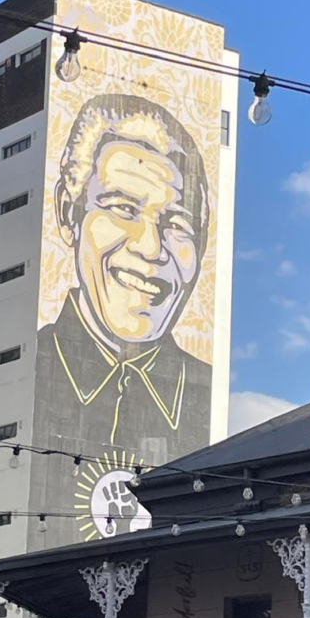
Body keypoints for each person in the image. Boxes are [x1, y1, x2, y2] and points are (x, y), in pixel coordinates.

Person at [38, 94, 212, 452]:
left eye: (177, 223)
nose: (150, 247)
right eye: (122, 208)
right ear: (69, 213)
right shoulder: (24, 369)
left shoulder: (209, 392)